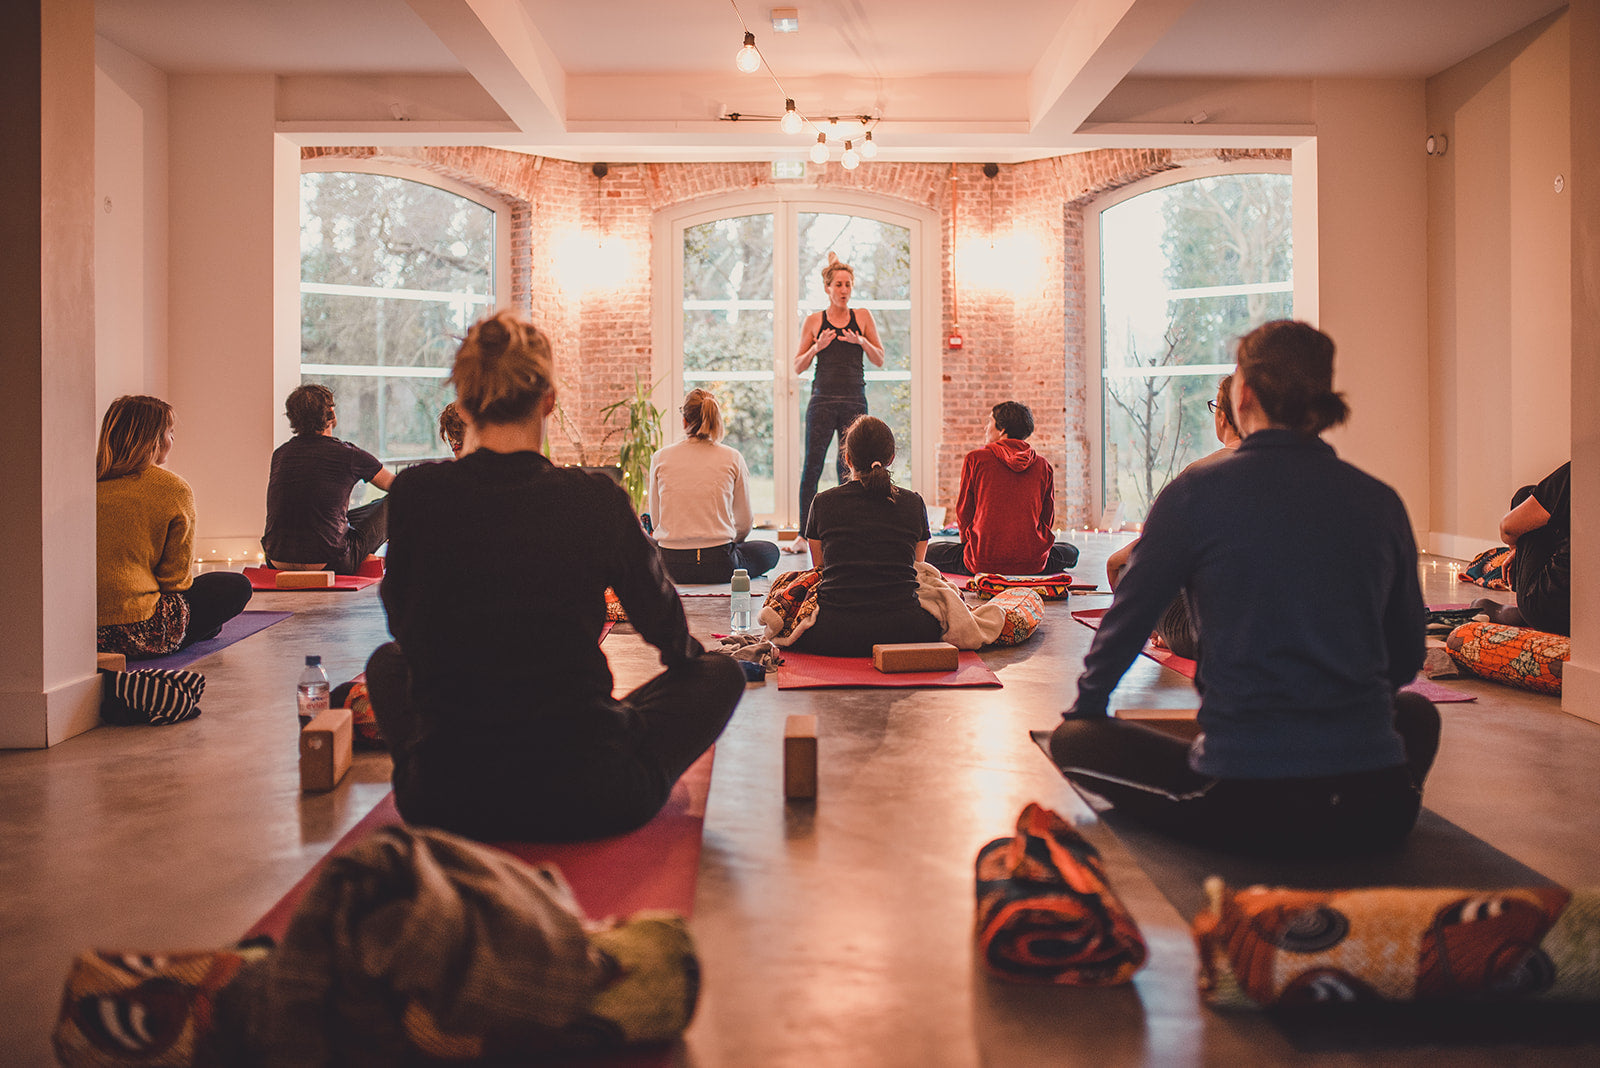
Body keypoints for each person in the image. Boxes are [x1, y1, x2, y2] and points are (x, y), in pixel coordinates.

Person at [1049, 321, 1440, 858]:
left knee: (1074, 744)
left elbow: (1127, 624)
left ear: (1245, 393)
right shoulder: (1381, 500)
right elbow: (1406, 656)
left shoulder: (1195, 492)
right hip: (1376, 803)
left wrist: (1087, 710)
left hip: (1246, 799)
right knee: (1419, 716)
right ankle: (1355, 809)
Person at [364, 311, 744, 842]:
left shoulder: (415, 494)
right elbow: (670, 637)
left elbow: (402, 626)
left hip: (446, 797)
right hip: (591, 791)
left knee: (385, 664)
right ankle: (606, 731)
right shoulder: (593, 498)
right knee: (721, 674)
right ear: (549, 400)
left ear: (466, 405)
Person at [96, 395, 253, 658]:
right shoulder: (172, 489)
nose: (172, 439)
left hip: (82, 634)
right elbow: (175, 580)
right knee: (235, 586)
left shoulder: (86, 483)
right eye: (170, 432)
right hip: (144, 631)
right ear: (154, 439)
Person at [1102, 375, 1244, 658]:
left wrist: (1116, 564)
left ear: (1222, 416)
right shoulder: (1285, 475)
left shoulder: (1202, 472)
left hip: (1206, 637)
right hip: (1273, 634)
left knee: (1134, 569)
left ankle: (1163, 633)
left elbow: (1144, 556)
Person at [790, 415, 942, 657]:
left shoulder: (822, 502)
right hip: (905, 629)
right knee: (943, 610)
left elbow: (819, 569)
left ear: (847, 459)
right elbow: (917, 566)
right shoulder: (913, 503)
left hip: (834, 631)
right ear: (891, 458)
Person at [789, 252, 886, 555]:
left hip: (854, 400)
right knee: (813, 466)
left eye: (848, 284)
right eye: (839, 284)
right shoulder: (815, 321)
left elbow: (879, 359)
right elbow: (797, 366)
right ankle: (804, 536)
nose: (844, 290)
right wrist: (818, 347)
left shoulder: (863, 317)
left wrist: (861, 342)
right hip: (822, 401)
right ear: (828, 288)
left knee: (851, 466)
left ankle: (849, 529)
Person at [924, 400, 1079, 577]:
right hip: (1032, 563)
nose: (986, 428)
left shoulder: (975, 459)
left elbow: (964, 511)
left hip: (982, 561)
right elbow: (1047, 517)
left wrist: (971, 545)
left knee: (930, 552)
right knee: (1070, 552)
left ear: (1002, 429)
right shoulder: (1043, 465)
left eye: (989, 422)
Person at [648, 388, 780, 584]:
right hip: (720, 564)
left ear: (684, 420)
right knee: (770, 550)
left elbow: (657, 522)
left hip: (671, 567)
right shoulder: (732, 457)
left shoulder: (660, 457)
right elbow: (744, 524)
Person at [261, 384, 394, 575]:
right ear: (331, 413)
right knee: (396, 501)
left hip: (275, 558)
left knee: (346, 516)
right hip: (330, 560)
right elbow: (400, 486)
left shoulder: (280, 454)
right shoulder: (349, 454)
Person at [1470, 462, 1570, 634]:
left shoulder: (1584, 466)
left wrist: (1517, 550)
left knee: (1525, 496)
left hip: (1560, 609)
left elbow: (1508, 527)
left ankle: (1531, 608)